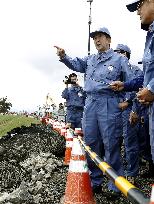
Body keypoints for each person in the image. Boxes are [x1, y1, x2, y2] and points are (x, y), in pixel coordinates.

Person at [54, 27, 133, 196]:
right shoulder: (90, 60)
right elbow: (75, 63)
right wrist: (63, 56)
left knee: (111, 143)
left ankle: (115, 184)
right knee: (90, 142)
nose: (97, 40)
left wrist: (127, 101)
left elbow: (131, 82)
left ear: (109, 40)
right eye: (95, 38)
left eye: (100, 37)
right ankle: (95, 180)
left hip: (109, 102)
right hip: (90, 104)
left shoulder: (119, 59)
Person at [110, 0, 154, 163]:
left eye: (139, 6)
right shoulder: (150, 35)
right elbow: (146, 77)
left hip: (137, 109)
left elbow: (148, 83)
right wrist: (125, 85)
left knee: (137, 144)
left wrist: (151, 89)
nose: (137, 12)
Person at [114, 44, 143, 184]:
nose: (115, 55)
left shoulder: (136, 71)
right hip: (113, 111)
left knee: (130, 143)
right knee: (114, 142)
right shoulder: (113, 71)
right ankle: (116, 170)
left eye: (118, 52)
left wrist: (130, 104)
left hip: (128, 110)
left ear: (125, 54)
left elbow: (139, 90)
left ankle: (131, 173)